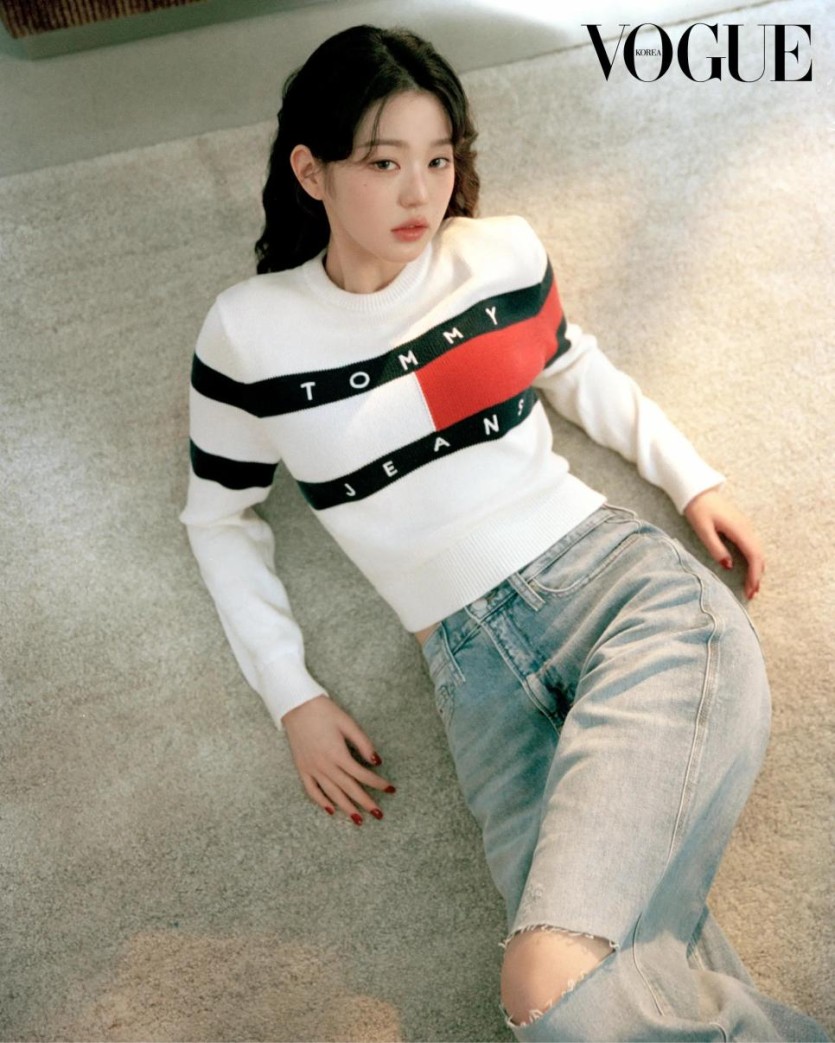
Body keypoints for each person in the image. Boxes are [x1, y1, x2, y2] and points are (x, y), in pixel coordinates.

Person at [180, 24, 827, 1043]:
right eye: (382, 163)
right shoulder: (247, 332)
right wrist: (290, 692)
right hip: (473, 684)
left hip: (626, 600)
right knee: (580, 1006)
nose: (419, 193)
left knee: (543, 978)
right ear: (310, 170)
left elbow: (571, 363)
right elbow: (219, 514)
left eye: (438, 160)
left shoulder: (497, 255)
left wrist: (692, 477)